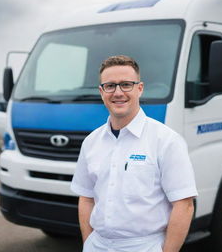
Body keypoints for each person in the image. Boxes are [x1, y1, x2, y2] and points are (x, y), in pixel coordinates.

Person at [71, 55, 198, 252]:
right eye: (110, 85)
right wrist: (88, 242)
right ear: (101, 91)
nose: (118, 92)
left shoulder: (166, 140)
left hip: (145, 246)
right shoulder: (91, 142)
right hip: (97, 245)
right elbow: (86, 198)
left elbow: (184, 205)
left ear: (140, 88)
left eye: (126, 85)